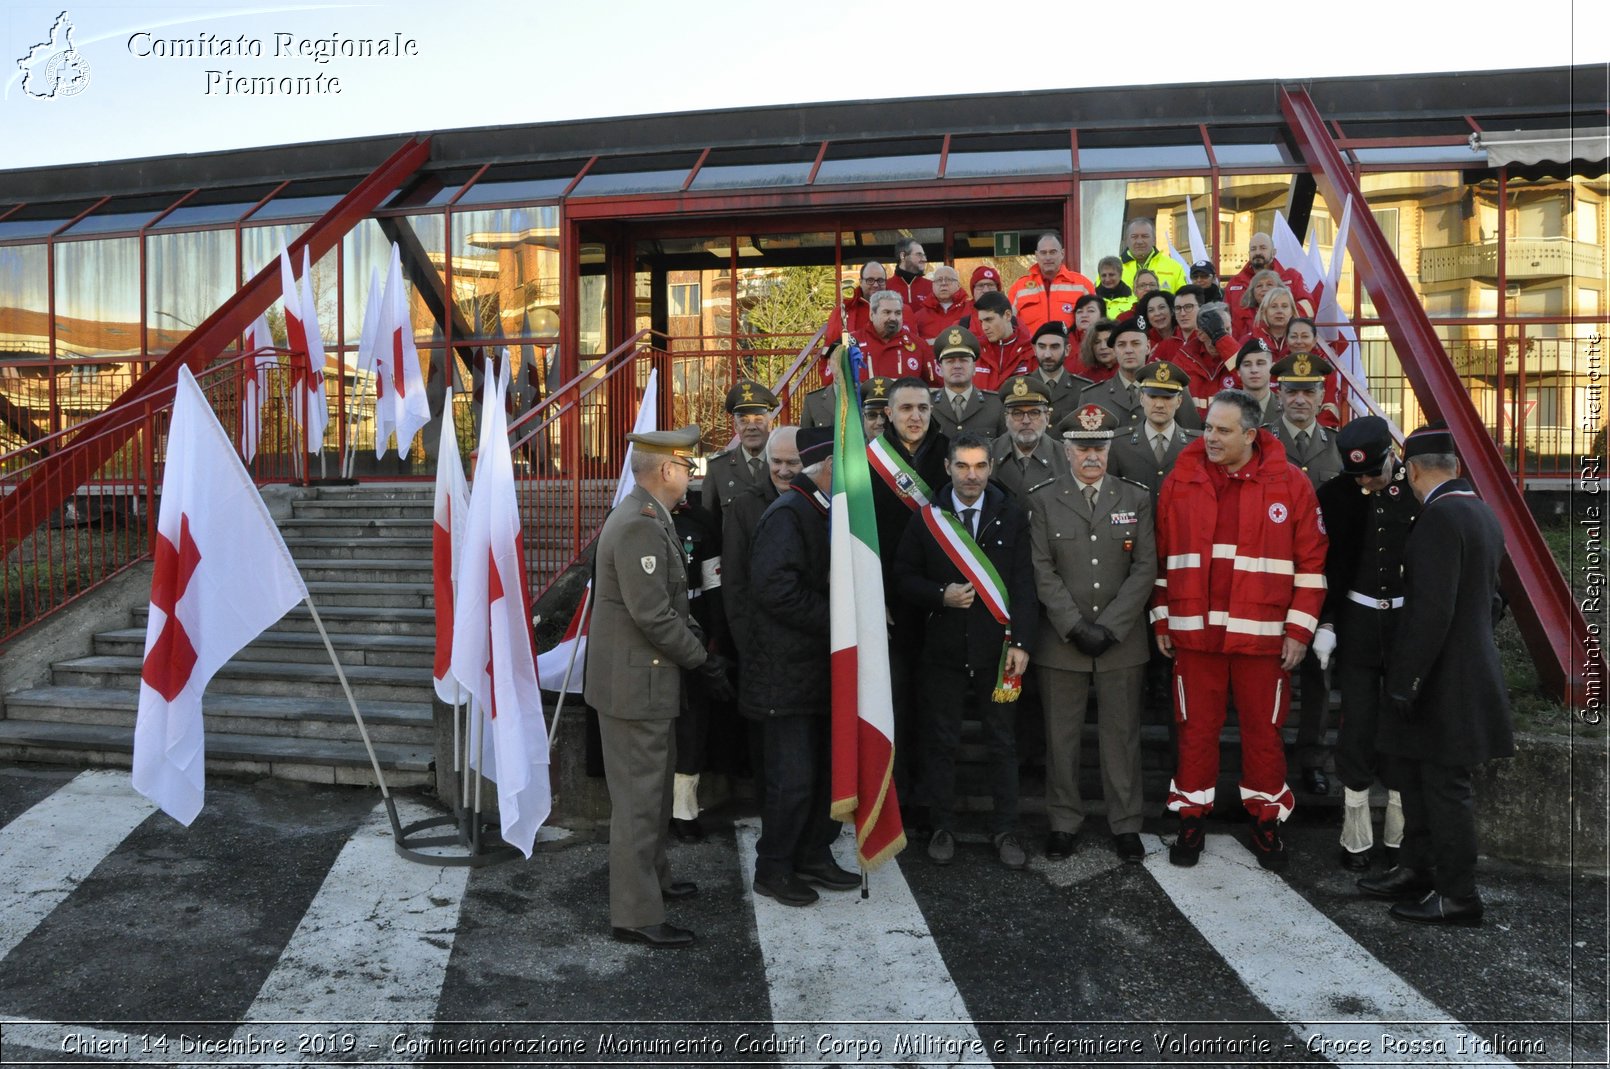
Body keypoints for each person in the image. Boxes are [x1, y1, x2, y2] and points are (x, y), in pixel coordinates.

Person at [1153, 390, 1328, 872]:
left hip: (1263, 639)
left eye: (1223, 431)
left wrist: (1298, 632)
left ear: (1250, 435)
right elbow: (1162, 559)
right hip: (1196, 636)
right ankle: (1190, 819)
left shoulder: (1291, 485)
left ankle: (1266, 824)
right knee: (1195, 733)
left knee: (1264, 736)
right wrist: (1162, 616)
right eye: (1208, 428)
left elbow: (1312, 566)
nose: (1210, 437)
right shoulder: (1180, 481)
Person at [1359, 423, 1512, 926]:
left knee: (1445, 791)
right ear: (1457, 466)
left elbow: (1430, 612)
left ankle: (1458, 895)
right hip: (1461, 673)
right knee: (1420, 781)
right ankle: (1417, 871)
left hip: (1444, 682)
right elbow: (1493, 602)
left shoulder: (1438, 519)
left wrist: (1406, 680)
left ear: (1415, 469)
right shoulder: (1481, 512)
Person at [587, 425, 734, 948]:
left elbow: (671, 605)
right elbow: (653, 614)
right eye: (687, 466)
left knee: (649, 793)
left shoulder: (650, 517)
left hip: (644, 682)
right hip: (635, 686)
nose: (692, 475)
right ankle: (634, 913)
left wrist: (695, 652)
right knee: (640, 804)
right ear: (668, 470)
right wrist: (701, 661)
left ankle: (655, 884)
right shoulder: (639, 525)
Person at [895, 433, 1038, 869]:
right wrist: (940, 595)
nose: (971, 475)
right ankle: (941, 825)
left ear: (990, 467)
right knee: (940, 742)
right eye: (962, 466)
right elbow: (902, 577)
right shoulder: (927, 519)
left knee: (1001, 742)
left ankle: (1006, 828)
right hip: (942, 650)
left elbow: (1023, 586)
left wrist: (1022, 643)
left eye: (979, 466)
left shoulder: (1010, 516)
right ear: (948, 468)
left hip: (997, 653)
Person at [1029, 404, 1157, 863]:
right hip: (1062, 642)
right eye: (1082, 447)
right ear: (1066, 450)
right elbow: (1041, 570)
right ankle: (1064, 821)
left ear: (1109, 449)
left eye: (1099, 447)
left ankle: (1125, 824)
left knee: (1121, 737)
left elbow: (1145, 568)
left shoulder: (1135, 498)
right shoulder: (1043, 499)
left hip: (1121, 643)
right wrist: (1074, 625)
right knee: (1060, 737)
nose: (1091, 456)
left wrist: (1111, 626)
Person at [744, 426, 861, 906]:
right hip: (784, 675)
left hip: (814, 672)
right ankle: (773, 867)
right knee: (792, 780)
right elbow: (775, 590)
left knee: (823, 775)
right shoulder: (790, 514)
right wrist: (841, 620)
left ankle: (813, 854)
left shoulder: (821, 511)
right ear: (828, 468)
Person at [1314, 417, 1415, 872]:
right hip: (1355, 620)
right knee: (1356, 724)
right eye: (1360, 477)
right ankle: (1355, 836)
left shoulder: (1417, 494)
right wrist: (1328, 621)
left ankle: (1398, 834)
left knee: (1400, 722)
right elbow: (1329, 562)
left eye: (1375, 473)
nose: (1368, 484)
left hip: (1403, 622)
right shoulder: (1336, 495)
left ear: (1392, 456)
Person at [868, 377, 950, 814]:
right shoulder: (868, 462)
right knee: (896, 706)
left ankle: (933, 806)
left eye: (922, 407)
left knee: (935, 709)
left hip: (942, 604)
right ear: (889, 415)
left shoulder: (951, 454)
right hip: (891, 607)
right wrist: (871, 596)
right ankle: (896, 803)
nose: (914, 416)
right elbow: (860, 537)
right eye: (905, 409)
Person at [1267, 353, 1343, 797]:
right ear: (1278, 394)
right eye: (1292, 390)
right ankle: (1268, 752)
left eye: (1308, 391)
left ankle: (1312, 757)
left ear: (1321, 397)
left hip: (1320, 576)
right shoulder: (1260, 442)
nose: (1300, 398)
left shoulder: (1338, 445)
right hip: (1270, 572)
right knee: (1266, 668)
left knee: (1319, 667)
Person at [1080, 321, 1202, 431]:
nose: (1128, 350)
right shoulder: (1092, 396)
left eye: (1136, 344)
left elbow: (1191, 435)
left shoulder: (1173, 389)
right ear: (1115, 350)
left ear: (1148, 347)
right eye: (1121, 345)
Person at [1107, 360, 1200, 501]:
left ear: (1179, 401)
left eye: (1167, 398)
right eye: (1153, 396)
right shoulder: (1119, 443)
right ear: (1142, 398)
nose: (1159, 404)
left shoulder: (1197, 445)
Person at [702, 379, 777, 530]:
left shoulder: (782, 464)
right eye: (743, 421)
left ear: (770, 424)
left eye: (758, 420)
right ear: (736, 427)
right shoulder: (718, 469)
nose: (751, 427)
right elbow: (710, 527)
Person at [990, 376, 1069, 502]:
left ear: (1047, 417)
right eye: (1017, 413)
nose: (1026, 421)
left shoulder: (1066, 457)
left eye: (1034, 413)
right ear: (1006, 418)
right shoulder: (988, 454)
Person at [1005, 232, 1096, 335]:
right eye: (1043, 253)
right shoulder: (1019, 288)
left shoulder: (1083, 285)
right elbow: (1008, 324)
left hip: (1071, 349)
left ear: (1062, 254)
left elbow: (1096, 322)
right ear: (1036, 255)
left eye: (1053, 252)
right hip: (1031, 350)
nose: (1048, 257)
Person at [838, 290, 936, 384]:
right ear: (872, 315)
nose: (893, 318)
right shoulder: (850, 342)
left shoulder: (919, 345)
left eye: (898, 313)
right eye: (887, 312)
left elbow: (934, 385)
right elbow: (837, 384)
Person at [1224, 233, 1313, 332]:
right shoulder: (1235, 283)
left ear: (1273, 252)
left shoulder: (1292, 277)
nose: (1258, 252)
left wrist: (1278, 319)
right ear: (1249, 253)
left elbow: (1309, 307)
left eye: (1263, 248)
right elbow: (1224, 317)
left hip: (1284, 342)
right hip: (1243, 344)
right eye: (1253, 249)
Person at [930, 326, 1005, 441]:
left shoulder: (996, 405)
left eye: (963, 360)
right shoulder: (927, 405)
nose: (957, 366)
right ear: (940, 368)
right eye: (950, 361)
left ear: (974, 367)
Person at [1026, 322, 1091, 428]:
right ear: (1034, 349)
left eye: (1054, 347)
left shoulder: (1083, 390)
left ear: (1067, 350)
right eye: (1042, 347)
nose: (1047, 355)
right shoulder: (1021, 387)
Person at [972, 290, 1036, 391]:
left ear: (1007, 315)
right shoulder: (975, 350)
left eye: (989, 320)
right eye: (981, 321)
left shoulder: (1031, 351)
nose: (984, 327)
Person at [819, 260, 887, 350]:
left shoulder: (900, 311)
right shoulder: (842, 312)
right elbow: (830, 350)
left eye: (880, 280)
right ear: (861, 282)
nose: (875, 285)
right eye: (870, 280)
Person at [1119, 218, 1187, 295]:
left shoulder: (1175, 268)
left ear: (1154, 240)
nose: (1139, 241)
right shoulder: (1112, 270)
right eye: (1134, 237)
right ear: (1127, 240)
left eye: (1145, 236)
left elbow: (1184, 301)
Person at [1231, 337, 1282, 426]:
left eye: (1260, 363)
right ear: (1238, 371)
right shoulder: (1227, 410)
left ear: (1272, 368)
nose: (1254, 370)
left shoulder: (1286, 409)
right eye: (1247, 364)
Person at [914, 265, 973, 340]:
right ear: (933, 285)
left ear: (958, 285)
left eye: (948, 279)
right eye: (939, 280)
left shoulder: (971, 310)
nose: (943, 283)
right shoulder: (919, 317)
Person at [1251, 287, 1300, 360]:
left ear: (1292, 311)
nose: (1279, 311)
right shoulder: (1249, 340)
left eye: (1284, 306)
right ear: (1264, 311)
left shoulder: (1304, 340)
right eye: (1273, 306)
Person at [889, 236, 934, 311]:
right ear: (902, 256)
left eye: (924, 255)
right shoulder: (886, 287)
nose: (924, 259)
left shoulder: (932, 287)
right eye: (919, 254)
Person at [1080, 318, 1119, 383]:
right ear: (1090, 347)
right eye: (1097, 342)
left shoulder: (1132, 374)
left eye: (1108, 341)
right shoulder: (1083, 380)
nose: (1103, 347)